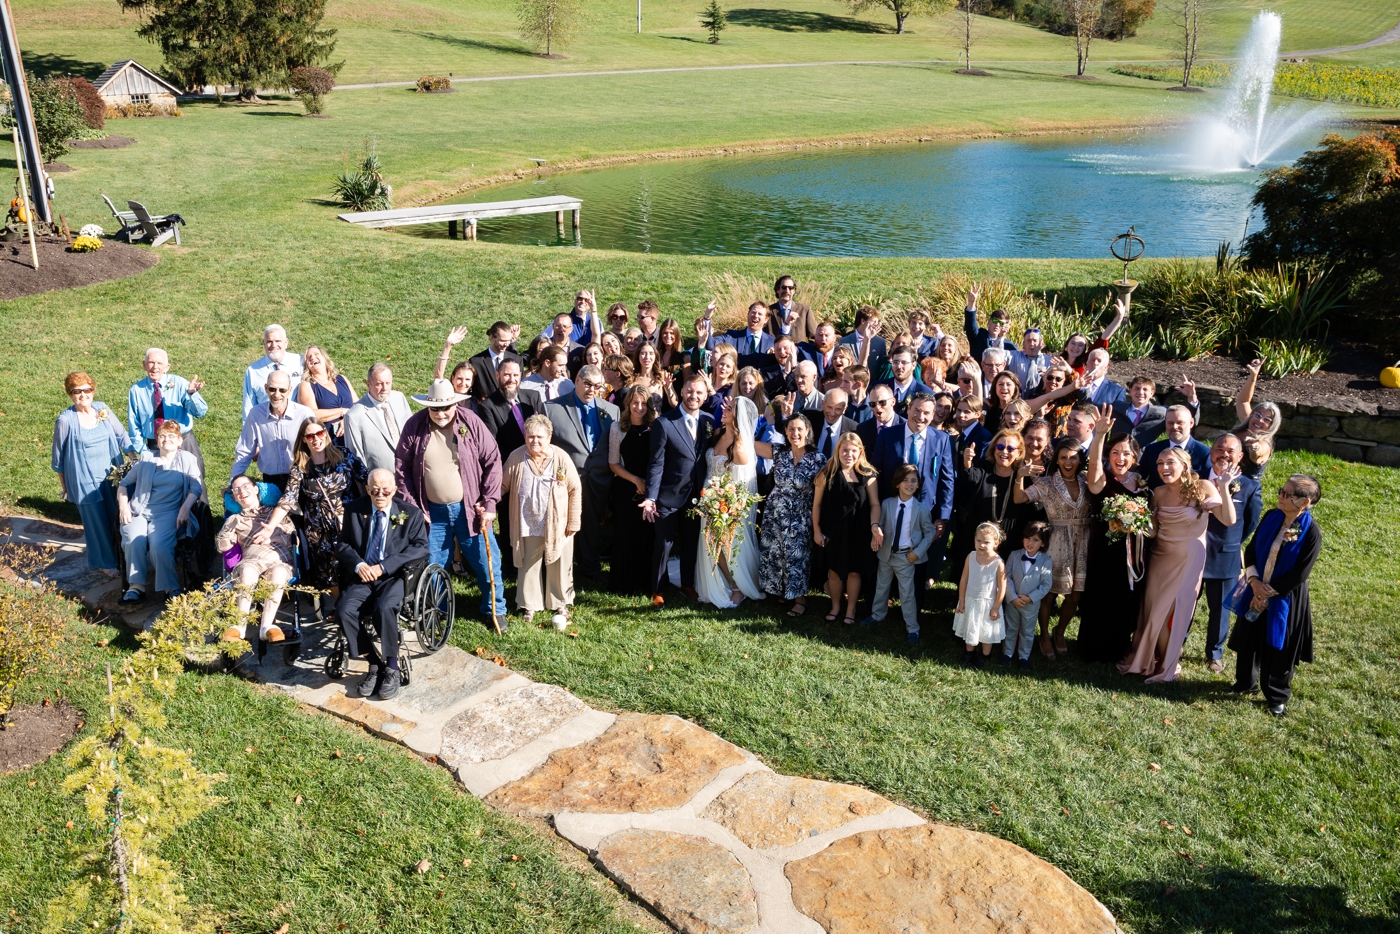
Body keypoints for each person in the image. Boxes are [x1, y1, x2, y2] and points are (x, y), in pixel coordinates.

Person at [1119, 446, 1236, 683]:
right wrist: (1129, 522)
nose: (1164, 468)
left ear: (1184, 465)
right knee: (1153, 611)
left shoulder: (1203, 487)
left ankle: (1168, 664)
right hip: (1161, 556)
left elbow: (1228, 519)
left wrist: (1223, 487)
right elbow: (1152, 532)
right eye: (1160, 464)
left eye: (1170, 463)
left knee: (1169, 610)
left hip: (1189, 557)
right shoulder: (1158, 493)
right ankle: (1160, 659)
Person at [395, 379, 506, 623]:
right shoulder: (414, 426)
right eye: (435, 408)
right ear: (428, 407)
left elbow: (493, 461)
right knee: (433, 565)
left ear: (455, 405)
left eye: (446, 407)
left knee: (487, 563)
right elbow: (402, 469)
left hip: (471, 510)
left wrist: (489, 503)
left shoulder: (471, 422)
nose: (441, 413)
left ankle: (495, 610)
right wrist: (413, 508)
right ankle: (437, 609)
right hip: (432, 513)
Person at [1229, 474, 1322, 716]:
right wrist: (1254, 581)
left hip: (1285, 597)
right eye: (1282, 490)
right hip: (1255, 586)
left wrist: (1267, 592)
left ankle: (1276, 696)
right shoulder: (1272, 516)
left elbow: (1301, 572)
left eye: (1287, 493)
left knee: (1279, 645)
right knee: (1249, 635)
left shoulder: (1311, 532)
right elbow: (1251, 550)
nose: (1280, 495)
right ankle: (1245, 683)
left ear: (1304, 502)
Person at [335, 469, 430, 702]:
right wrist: (358, 565)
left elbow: (421, 548)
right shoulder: (354, 510)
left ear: (394, 490)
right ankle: (374, 663)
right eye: (375, 489)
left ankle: (392, 666)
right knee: (343, 610)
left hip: (395, 576)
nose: (380, 494)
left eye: (385, 490)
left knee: (384, 607)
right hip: (363, 576)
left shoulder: (411, 514)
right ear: (367, 490)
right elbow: (342, 544)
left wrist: (385, 566)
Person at [255, 417, 367, 609]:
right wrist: (270, 527)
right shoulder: (300, 468)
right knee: (328, 572)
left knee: (357, 563)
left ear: (326, 433)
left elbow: (367, 478)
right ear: (304, 440)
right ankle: (343, 608)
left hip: (348, 522)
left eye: (320, 433)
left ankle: (358, 605)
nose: (316, 439)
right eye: (310, 436)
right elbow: (288, 499)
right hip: (318, 528)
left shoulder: (344, 456)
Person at [1076, 408, 1151, 663]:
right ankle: (1092, 650)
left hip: (1133, 554)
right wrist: (1099, 436)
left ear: (1135, 458)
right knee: (1101, 597)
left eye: (1126, 453)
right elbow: (1094, 468)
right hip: (1104, 550)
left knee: (1126, 599)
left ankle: (1119, 647)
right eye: (1115, 452)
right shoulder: (1102, 479)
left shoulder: (1141, 482)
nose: (1121, 457)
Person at [1013, 437, 1090, 660]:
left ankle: (1060, 631)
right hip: (1057, 542)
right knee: (1049, 594)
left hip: (1082, 541)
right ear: (1056, 459)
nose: (1068, 462)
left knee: (1075, 596)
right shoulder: (1047, 483)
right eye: (1063, 457)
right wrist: (1020, 477)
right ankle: (1044, 635)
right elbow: (1020, 498)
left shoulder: (1086, 480)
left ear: (1079, 460)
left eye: (1073, 458)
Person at [501, 415, 582, 626]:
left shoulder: (561, 458)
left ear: (549, 437)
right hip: (527, 522)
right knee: (528, 565)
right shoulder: (516, 457)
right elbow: (501, 486)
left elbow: (575, 489)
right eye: (530, 437)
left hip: (559, 522)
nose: (534, 441)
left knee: (560, 563)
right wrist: (487, 502)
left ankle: (560, 602)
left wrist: (573, 521)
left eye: (539, 437)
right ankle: (530, 604)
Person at [642, 372, 715, 607]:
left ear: (705, 396)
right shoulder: (665, 422)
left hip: (697, 496)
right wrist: (651, 497)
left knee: (692, 541)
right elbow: (656, 463)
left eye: (699, 392)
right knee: (663, 544)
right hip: (668, 495)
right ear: (682, 391)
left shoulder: (709, 421)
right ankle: (657, 589)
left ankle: (687, 584)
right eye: (690, 391)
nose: (694, 395)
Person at [53, 371, 134, 577]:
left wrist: (134, 459)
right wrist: (66, 488)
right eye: (76, 391)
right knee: (96, 525)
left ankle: (122, 553)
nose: (83, 395)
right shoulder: (65, 420)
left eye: (87, 390)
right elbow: (59, 460)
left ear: (93, 390)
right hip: (84, 481)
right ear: (70, 395)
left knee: (117, 517)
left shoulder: (102, 409)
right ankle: (106, 563)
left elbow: (121, 435)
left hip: (113, 476)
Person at [1195, 433, 1263, 673]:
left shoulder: (1249, 487)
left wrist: (1235, 543)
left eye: (1230, 451)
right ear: (1211, 452)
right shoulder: (1193, 479)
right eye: (1219, 449)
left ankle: (1215, 654)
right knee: (1185, 603)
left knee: (1220, 609)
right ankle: (1175, 644)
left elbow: (1251, 522)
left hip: (1226, 555)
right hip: (1191, 552)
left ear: (1240, 456)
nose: (1224, 454)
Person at [546, 365, 619, 585]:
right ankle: (559, 570)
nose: (591, 390)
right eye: (587, 383)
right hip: (566, 480)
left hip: (598, 478)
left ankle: (590, 568)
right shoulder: (552, 408)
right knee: (564, 525)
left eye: (597, 386)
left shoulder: (611, 411)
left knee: (591, 525)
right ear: (576, 379)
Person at [117, 421, 202, 603]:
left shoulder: (187, 459)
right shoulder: (147, 458)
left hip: (169, 512)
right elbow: (124, 484)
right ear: (157, 440)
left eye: (172, 436)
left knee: (159, 545)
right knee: (133, 539)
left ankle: (170, 587)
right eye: (162, 436)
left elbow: (196, 487)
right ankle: (136, 587)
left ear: (180, 441)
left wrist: (185, 508)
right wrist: (124, 507)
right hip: (139, 511)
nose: (166, 440)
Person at [694, 396, 764, 608]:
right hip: (707, 496)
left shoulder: (740, 448)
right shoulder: (718, 434)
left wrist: (725, 505)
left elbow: (742, 484)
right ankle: (719, 582)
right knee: (710, 545)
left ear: (738, 416)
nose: (724, 410)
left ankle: (737, 587)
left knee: (724, 546)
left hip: (725, 502)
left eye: (730, 409)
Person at [756, 414, 825, 615]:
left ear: (807, 431)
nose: (795, 433)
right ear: (785, 432)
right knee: (775, 553)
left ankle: (800, 600)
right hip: (775, 513)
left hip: (800, 516)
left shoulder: (817, 458)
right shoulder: (779, 452)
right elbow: (750, 444)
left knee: (797, 557)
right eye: (791, 429)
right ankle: (781, 590)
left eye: (799, 429)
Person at [476, 357, 542, 570]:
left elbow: (544, 431)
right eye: (506, 375)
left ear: (521, 377)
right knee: (509, 521)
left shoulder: (532, 398)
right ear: (497, 376)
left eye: (515, 375)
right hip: (509, 472)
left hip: (539, 470)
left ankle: (535, 563)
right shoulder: (488, 406)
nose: (511, 379)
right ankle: (511, 567)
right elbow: (493, 445)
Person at [216, 474, 298, 643]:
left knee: (279, 571)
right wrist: (228, 537)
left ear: (256, 489)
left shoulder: (277, 514)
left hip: (279, 559)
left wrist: (273, 538)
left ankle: (266, 626)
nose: (241, 491)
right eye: (236, 489)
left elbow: (294, 539)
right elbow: (221, 546)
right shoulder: (234, 519)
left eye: (245, 486)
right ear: (233, 497)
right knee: (246, 570)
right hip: (251, 560)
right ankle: (239, 626)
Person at [859, 464, 934, 642]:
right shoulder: (887, 504)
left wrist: (917, 552)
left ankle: (912, 628)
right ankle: (878, 615)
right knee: (881, 587)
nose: (909, 484)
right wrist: (875, 536)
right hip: (886, 554)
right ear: (897, 483)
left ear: (918, 485)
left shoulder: (921, 509)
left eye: (913, 481)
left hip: (906, 557)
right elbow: (881, 525)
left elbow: (930, 532)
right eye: (905, 480)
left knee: (907, 593)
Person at [812, 433, 880, 625]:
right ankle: (835, 606)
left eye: (853, 450)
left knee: (854, 572)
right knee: (834, 571)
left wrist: (874, 525)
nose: (848, 454)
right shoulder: (826, 474)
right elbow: (816, 505)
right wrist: (816, 530)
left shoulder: (868, 475)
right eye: (844, 450)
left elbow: (875, 504)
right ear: (838, 450)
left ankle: (851, 610)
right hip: (834, 530)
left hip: (859, 530)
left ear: (860, 452)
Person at [951, 429, 1026, 574]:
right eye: (1000, 447)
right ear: (994, 449)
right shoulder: (984, 467)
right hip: (979, 531)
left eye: (1010, 448)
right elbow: (971, 476)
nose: (1004, 451)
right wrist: (967, 462)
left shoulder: (1021, 475)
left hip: (1008, 534)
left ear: (1018, 453)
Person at [607, 385, 658, 594]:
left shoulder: (656, 427)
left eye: (644, 403)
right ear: (628, 404)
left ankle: (645, 584)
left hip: (651, 489)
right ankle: (623, 584)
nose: (639, 407)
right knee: (625, 536)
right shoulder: (617, 428)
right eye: (635, 402)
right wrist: (636, 480)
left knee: (647, 536)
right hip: (625, 487)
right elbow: (613, 462)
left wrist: (648, 485)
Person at [127, 349, 207, 481]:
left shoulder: (180, 384)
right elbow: (134, 425)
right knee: (161, 489)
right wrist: (145, 452)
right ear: (144, 365)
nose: (155, 367)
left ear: (167, 367)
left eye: (159, 363)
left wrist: (192, 394)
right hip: (155, 445)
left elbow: (200, 412)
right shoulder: (136, 390)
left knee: (194, 485)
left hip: (184, 443)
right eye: (151, 362)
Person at [230, 370, 314, 492]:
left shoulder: (304, 414)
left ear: (290, 390)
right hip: (271, 482)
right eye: (272, 389)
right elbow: (244, 451)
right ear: (265, 388)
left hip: (302, 479)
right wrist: (233, 483)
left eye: (282, 390)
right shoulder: (256, 414)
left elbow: (318, 445)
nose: (277, 394)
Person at [953, 522, 1007, 666]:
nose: (982, 545)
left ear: (996, 543)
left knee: (986, 629)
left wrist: (996, 607)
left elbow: (1002, 587)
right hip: (971, 599)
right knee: (971, 625)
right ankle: (969, 652)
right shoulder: (971, 556)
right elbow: (964, 579)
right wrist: (962, 600)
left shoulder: (998, 562)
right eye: (979, 541)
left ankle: (985, 655)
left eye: (986, 542)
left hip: (987, 602)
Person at [343, 363, 413, 473]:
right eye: (379, 384)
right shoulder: (354, 416)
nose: (385, 388)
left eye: (388, 383)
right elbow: (356, 458)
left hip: (410, 474)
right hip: (382, 484)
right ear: (368, 384)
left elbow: (413, 433)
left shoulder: (400, 398)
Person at [1001, 522, 1053, 669]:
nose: (1030, 543)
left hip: (1031, 604)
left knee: (1027, 631)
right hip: (1013, 601)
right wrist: (1013, 597)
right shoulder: (1014, 555)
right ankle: (1007, 653)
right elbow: (1007, 576)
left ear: (1043, 543)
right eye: (1028, 538)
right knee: (1011, 627)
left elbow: (1046, 585)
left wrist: (1030, 598)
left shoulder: (1046, 561)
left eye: (1035, 540)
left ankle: (1024, 656)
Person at [1229, 358, 1282, 480]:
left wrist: (1255, 448)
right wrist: (1253, 376)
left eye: (1267, 420)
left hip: (1243, 490)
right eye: (1258, 415)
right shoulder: (1248, 423)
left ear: (1271, 426)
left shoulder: (1265, 443)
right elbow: (1243, 401)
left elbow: (1258, 455)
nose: (1260, 420)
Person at [296, 345, 356, 445]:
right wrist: (342, 411)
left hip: (353, 435)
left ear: (324, 358)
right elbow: (311, 415)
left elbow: (357, 404)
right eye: (308, 357)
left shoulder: (342, 379)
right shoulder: (306, 385)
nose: (312, 358)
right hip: (329, 443)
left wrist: (346, 419)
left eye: (316, 354)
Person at [1141, 405, 1211, 487]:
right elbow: (1142, 478)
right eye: (1170, 423)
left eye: (1180, 423)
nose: (1174, 427)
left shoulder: (1205, 453)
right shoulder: (1152, 450)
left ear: (1191, 423)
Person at [243, 324, 303, 420]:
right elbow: (248, 406)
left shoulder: (300, 362)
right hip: (266, 423)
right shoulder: (253, 370)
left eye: (278, 341)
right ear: (264, 343)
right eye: (269, 341)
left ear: (286, 342)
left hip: (296, 423)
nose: (274, 345)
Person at [466, 322, 525, 400]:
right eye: (503, 341)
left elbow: (521, 386)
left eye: (509, 341)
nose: (506, 344)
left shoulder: (517, 360)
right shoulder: (476, 362)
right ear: (492, 338)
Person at [805, 389, 858, 460]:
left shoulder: (854, 429)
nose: (832, 413)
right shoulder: (809, 418)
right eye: (829, 407)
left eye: (838, 409)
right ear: (823, 404)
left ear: (844, 409)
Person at [881, 346, 932, 415]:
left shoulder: (926, 393)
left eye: (904, 362)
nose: (899, 366)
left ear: (913, 365)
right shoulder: (880, 387)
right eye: (895, 362)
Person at [963, 288, 1012, 360]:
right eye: (995, 321)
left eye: (1001, 323)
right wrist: (971, 303)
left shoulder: (1009, 346)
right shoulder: (978, 336)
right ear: (989, 321)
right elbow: (970, 323)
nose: (997, 325)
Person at [767, 274, 817, 344]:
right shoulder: (768, 311)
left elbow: (814, 338)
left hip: (798, 353)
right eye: (784, 287)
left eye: (791, 288)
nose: (787, 291)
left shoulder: (805, 310)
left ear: (794, 291)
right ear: (777, 290)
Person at [856, 383, 902, 455]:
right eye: (873, 404)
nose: (877, 407)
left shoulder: (905, 426)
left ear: (893, 402)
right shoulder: (863, 429)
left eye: (882, 402)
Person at [1120, 375, 1166, 446]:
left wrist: (1190, 398)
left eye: (1145, 389)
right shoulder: (1117, 408)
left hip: (1147, 456)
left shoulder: (1162, 413)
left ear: (1152, 393)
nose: (1141, 392)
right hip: (1119, 455)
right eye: (1137, 388)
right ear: (1130, 391)